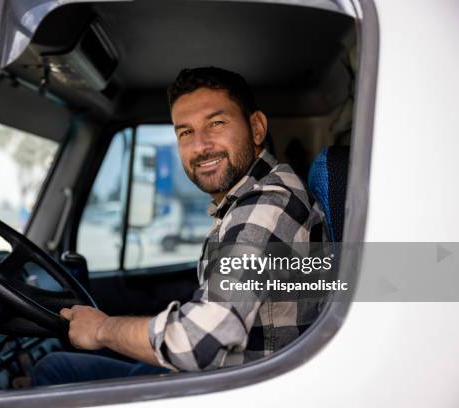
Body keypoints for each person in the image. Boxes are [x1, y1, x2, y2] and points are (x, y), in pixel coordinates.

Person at [33, 67, 328, 386]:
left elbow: (201, 339)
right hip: (223, 375)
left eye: (216, 123)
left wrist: (102, 329)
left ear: (256, 128)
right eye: (185, 132)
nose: (200, 146)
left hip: (236, 388)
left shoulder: (267, 204)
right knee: (58, 367)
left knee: (54, 372)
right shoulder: (243, 201)